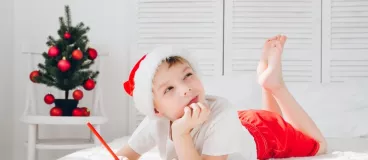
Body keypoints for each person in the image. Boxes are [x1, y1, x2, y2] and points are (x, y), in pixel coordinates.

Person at [116, 35, 327, 160]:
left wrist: (181, 134)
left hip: (262, 134)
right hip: (239, 124)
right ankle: (266, 83)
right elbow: (125, 155)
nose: (185, 89)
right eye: (169, 89)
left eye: (188, 75)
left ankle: (275, 86)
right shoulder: (156, 122)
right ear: (156, 110)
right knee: (271, 116)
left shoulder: (221, 112)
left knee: (319, 145)